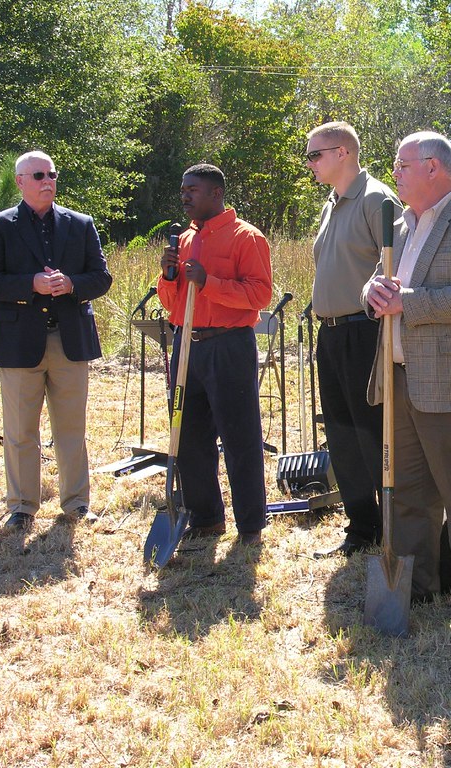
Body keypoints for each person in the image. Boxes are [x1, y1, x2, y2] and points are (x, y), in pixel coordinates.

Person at [362, 131, 451, 622]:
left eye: (402, 165)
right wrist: (374, 294)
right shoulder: (400, 227)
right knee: (407, 493)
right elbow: (382, 281)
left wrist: (409, 302)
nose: (394, 173)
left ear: (434, 169)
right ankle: (418, 585)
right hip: (400, 376)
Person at [0, 151, 113, 532]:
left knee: (71, 427)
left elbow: (101, 278)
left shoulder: (80, 223)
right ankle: (22, 506)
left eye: (52, 174)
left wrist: (72, 284)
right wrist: (29, 285)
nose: (47, 180)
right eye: (38, 175)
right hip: (19, 341)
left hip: (68, 339)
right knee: (20, 430)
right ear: (19, 181)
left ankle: (76, 504)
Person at [157, 163, 273, 546]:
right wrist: (168, 277)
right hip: (188, 343)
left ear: (216, 194)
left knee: (239, 437)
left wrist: (209, 282)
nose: (185, 197)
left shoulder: (246, 237)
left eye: (193, 190)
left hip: (229, 345)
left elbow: (259, 295)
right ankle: (206, 518)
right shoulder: (184, 239)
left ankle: (251, 526)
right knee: (187, 433)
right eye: (183, 190)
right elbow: (172, 304)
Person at [305, 122, 402, 558]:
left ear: (343, 152)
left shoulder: (376, 199)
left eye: (315, 155)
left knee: (371, 432)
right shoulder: (331, 203)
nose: (309, 163)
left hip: (365, 332)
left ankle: (394, 527)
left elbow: (396, 265)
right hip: (330, 336)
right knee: (342, 434)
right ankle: (362, 528)